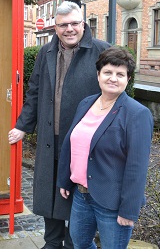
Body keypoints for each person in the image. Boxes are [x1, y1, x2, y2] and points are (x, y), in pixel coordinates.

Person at [8, 1, 111, 249]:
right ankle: (52, 242)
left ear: (83, 24)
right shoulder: (46, 52)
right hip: (49, 136)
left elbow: (115, 92)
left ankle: (75, 243)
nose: (70, 29)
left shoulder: (101, 51)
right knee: (50, 189)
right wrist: (23, 125)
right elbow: (34, 92)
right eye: (64, 25)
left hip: (82, 140)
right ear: (55, 27)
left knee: (79, 194)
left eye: (75, 23)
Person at [57, 46, 153, 248]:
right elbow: (73, 144)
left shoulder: (137, 114)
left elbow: (137, 166)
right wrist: (65, 180)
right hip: (82, 196)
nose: (113, 78)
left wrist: (129, 210)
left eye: (120, 74)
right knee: (80, 244)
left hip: (113, 202)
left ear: (128, 79)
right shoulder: (86, 103)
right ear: (98, 75)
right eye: (108, 72)